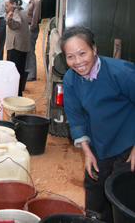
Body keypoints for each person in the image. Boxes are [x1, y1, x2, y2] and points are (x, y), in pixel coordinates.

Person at [61, 26, 135, 222]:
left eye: (82, 53)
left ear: (94, 49)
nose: (77, 62)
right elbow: (74, 115)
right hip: (98, 143)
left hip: (128, 143)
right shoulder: (70, 80)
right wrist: (86, 151)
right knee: (94, 189)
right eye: (70, 56)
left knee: (121, 193)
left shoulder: (122, 73)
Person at [4, 0, 30, 96]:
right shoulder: (23, 11)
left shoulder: (15, 12)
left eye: (7, 5)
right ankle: (18, 92)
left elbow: (16, 24)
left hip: (15, 46)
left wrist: (9, 20)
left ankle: (15, 93)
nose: (6, 7)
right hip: (22, 46)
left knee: (14, 71)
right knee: (20, 70)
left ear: (14, 4)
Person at [25, 0, 41, 81]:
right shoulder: (31, 0)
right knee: (27, 50)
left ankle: (32, 75)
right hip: (28, 28)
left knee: (30, 51)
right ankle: (28, 72)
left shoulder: (37, 1)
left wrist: (31, 28)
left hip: (31, 28)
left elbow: (35, 17)